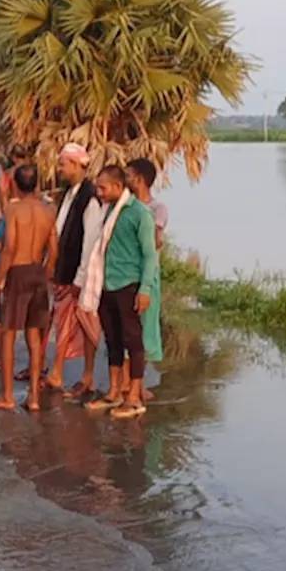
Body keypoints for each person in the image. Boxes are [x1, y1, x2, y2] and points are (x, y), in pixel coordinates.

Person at [83, 166, 157, 419]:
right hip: (107, 283)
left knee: (133, 342)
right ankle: (114, 392)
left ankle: (134, 396)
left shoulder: (140, 213)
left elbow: (150, 255)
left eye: (103, 188)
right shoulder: (110, 211)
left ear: (117, 187)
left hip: (129, 284)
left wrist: (145, 289)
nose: (99, 192)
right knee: (112, 340)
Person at [0, 164, 58, 411]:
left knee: (8, 333)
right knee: (34, 335)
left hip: (18, 272)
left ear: (15, 184)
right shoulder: (48, 211)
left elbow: (9, 249)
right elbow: (54, 252)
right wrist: (45, 275)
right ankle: (34, 397)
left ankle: (8, 396)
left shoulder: (13, 210)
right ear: (36, 184)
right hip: (38, 271)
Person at [46, 143, 103, 393]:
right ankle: (57, 371)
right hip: (64, 270)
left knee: (83, 323)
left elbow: (90, 240)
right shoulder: (70, 194)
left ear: (77, 165)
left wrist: (81, 277)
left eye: (63, 164)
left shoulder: (89, 198)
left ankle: (84, 375)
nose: (60, 169)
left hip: (78, 275)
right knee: (65, 322)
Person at [124, 158, 166, 401]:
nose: (125, 179)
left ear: (139, 179)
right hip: (126, 274)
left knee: (146, 329)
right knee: (129, 329)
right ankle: (128, 382)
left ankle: (138, 384)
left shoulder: (157, 209)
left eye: (128, 175)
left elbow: (156, 242)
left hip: (147, 275)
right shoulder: (124, 206)